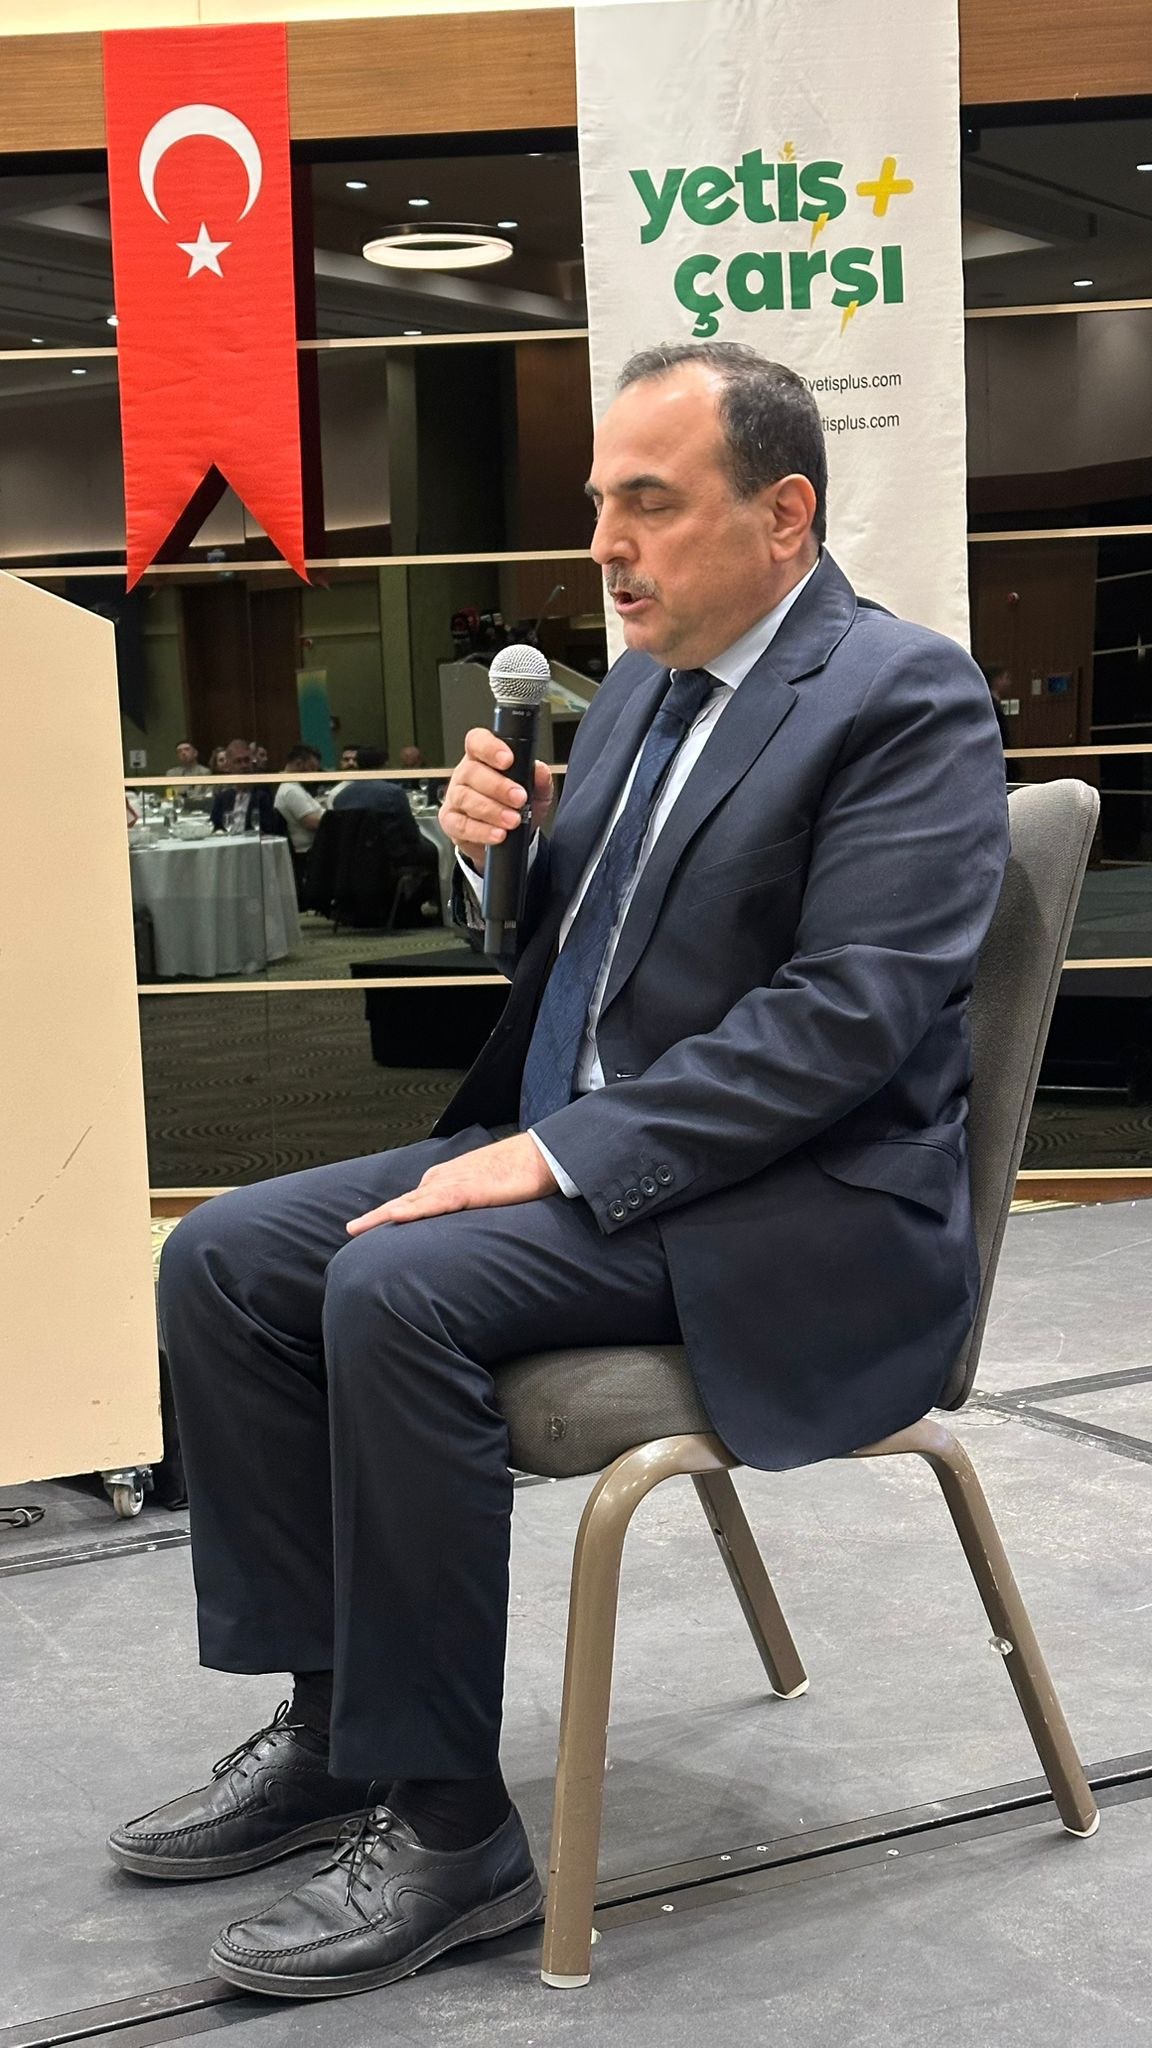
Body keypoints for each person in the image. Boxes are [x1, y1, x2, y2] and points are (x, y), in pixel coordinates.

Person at [116, 342, 1009, 2002]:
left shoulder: (904, 700)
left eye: (648, 503)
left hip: (788, 1209)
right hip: (589, 1160)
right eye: (601, 503)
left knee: (393, 1287)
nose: (606, 543)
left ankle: (453, 1827)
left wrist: (552, 1153)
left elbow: (843, 1022)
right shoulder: (648, 690)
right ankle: (337, 1726)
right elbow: (573, 957)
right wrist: (503, 855)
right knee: (223, 1259)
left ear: (784, 513)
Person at [273, 744, 326, 894]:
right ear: (299, 763)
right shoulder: (291, 790)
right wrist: (335, 819)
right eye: (312, 768)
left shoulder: (295, 787)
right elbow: (311, 822)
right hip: (308, 853)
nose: (314, 774)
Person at [208, 739, 284, 838]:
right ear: (229, 766)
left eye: (247, 760)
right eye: (238, 761)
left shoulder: (263, 795)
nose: (244, 765)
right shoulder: (222, 798)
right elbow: (214, 827)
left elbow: (271, 829)